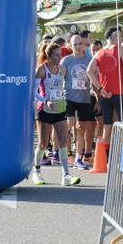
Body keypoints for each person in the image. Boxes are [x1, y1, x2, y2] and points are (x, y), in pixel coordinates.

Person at [33, 43, 81, 186]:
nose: (59, 57)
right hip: (45, 110)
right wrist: (46, 101)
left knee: (63, 140)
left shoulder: (62, 69)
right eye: (56, 55)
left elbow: (62, 87)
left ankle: (66, 175)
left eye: (60, 54)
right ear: (48, 55)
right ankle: (37, 172)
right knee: (43, 143)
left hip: (60, 109)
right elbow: (33, 92)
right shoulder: (41, 70)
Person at [87, 27, 123, 142]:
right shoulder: (121, 49)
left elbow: (89, 71)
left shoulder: (99, 52)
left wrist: (100, 89)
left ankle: (107, 154)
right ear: (112, 37)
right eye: (119, 36)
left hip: (105, 94)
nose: (121, 38)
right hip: (120, 92)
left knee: (107, 124)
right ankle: (122, 154)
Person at [61, 34, 95, 170]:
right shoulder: (66, 60)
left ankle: (78, 158)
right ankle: (63, 152)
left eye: (80, 43)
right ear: (70, 45)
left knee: (81, 128)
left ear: (84, 44)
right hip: (69, 97)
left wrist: (98, 95)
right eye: (75, 44)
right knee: (69, 125)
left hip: (84, 98)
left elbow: (94, 77)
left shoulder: (89, 59)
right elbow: (59, 78)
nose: (78, 46)